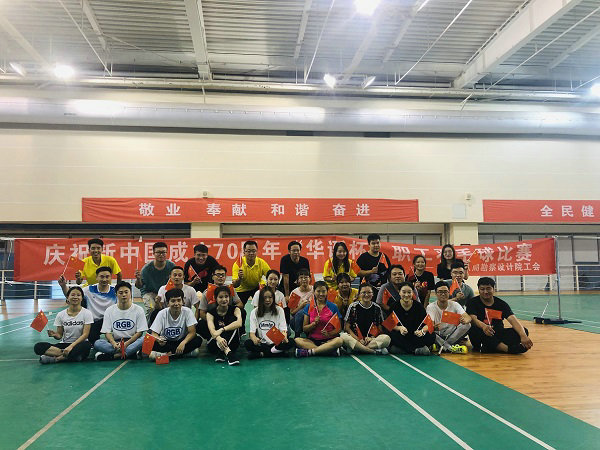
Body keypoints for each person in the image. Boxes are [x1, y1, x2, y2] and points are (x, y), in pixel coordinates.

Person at [466, 277, 533, 354]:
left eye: (488, 289)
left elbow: (513, 320)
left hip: (497, 334)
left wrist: (523, 336)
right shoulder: (472, 302)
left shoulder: (501, 304)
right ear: (479, 290)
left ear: (493, 289)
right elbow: (473, 319)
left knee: (523, 331)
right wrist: (484, 326)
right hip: (482, 334)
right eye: (482, 289)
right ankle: (507, 349)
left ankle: (490, 348)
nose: (485, 292)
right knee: (474, 329)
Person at [34, 286, 93, 364]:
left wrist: (71, 347)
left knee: (87, 345)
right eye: (72, 295)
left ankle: (58, 358)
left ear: (82, 298)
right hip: (64, 344)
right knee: (38, 347)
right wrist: (55, 335)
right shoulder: (61, 314)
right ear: (67, 297)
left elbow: (85, 335)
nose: (75, 297)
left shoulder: (87, 313)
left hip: (79, 344)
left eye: (78, 295)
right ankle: (71, 356)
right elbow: (59, 335)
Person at [59, 266, 117, 344]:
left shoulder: (115, 291)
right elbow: (71, 296)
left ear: (111, 277)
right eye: (102, 277)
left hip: (110, 321)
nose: (104, 279)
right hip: (94, 322)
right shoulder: (89, 289)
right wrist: (63, 286)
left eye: (107, 277)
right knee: (93, 341)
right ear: (96, 277)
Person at [94, 281, 148, 361]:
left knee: (145, 339)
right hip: (116, 343)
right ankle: (130, 354)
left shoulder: (138, 310)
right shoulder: (109, 310)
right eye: (121, 293)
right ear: (116, 294)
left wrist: (126, 344)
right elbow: (107, 332)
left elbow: (139, 333)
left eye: (126, 292)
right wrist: (113, 343)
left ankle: (115, 356)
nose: (124, 295)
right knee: (98, 343)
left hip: (132, 342)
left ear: (130, 293)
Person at [148, 288, 202, 360]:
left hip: (181, 341)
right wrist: (159, 340)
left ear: (183, 301)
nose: (176, 304)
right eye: (173, 301)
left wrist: (183, 343)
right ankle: (181, 354)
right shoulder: (162, 313)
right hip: (166, 342)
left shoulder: (188, 312)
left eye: (179, 300)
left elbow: (192, 332)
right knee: (151, 342)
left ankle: (166, 355)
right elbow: (154, 333)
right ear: (168, 303)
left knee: (198, 340)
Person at [294, 281, 344, 357]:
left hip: (329, 340)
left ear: (327, 292)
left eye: (323, 291)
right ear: (314, 292)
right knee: (297, 340)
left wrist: (329, 334)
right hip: (313, 340)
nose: (321, 294)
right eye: (318, 291)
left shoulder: (333, 306)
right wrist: (313, 324)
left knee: (339, 340)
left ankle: (310, 352)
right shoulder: (309, 307)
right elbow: (305, 329)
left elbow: (338, 328)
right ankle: (327, 350)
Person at [196, 265, 245, 339]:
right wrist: (213, 321)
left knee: (242, 312)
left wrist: (232, 310)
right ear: (213, 277)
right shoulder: (206, 293)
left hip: (228, 318)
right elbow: (202, 313)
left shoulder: (231, 289)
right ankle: (212, 337)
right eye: (218, 275)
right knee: (200, 324)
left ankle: (238, 333)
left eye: (223, 275)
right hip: (213, 319)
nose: (221, 277)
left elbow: (240, 304)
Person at [386, 281, 435, 355]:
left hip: (415, 336)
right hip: (401, 336)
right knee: (390, 334)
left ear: (413, 293)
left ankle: (403, 349)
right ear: (399, 292)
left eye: (409, 292)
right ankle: (416, 350)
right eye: (404, 292)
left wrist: (422, 331)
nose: (406, 295)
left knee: (432, 335)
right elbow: (389, 325)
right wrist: (399, 328)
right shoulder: (394, 306)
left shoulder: (419, 306)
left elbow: (428, 324)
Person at [245, 287, 295, 359]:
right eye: (265, 297)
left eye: (270, 297)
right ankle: (276, 353)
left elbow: (283, 330)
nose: (267, 300)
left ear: (273, 298)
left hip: (276, 342)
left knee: (291, 342)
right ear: (261, 298)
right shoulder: (254, 312)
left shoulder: (279, 310)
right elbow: (252, 333)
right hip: (262, 343)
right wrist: (254, 339)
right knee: (248, 343)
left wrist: (284, 337)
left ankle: (263, 354)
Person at [341, 284, 390, 355]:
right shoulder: (353, 306)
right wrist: (358, 339)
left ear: (373, 294)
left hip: (370, 341)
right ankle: (371, 351)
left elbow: (380, 328)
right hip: (356, 339)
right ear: (359, 294)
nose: (366, 295)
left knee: (387, 338)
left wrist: (372, 338)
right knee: (343, 336)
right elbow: (347, 328)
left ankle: (360, 349)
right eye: (363, 292)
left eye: (369, 292)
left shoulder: (377, 308)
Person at [135, 242, 175, 322]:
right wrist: (138, 279)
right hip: (149, 293)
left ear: (167, 253)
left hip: (165, 292)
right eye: (158, 252)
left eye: (163, 252)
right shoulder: (146, 268)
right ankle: (148, 327)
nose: (161, 255)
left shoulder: (172, 266)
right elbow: (139, 286)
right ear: (153, 253)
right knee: (151, 309)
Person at [426, 281, 471, 353]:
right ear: (436, 293)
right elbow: (430, 324)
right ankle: (449, 348)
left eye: (445, 291)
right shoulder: (431, 307)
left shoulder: (455, 304)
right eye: (440, 292)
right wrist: (434, 327)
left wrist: (465, 320)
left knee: (467, 325)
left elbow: (468, 317)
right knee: (428, 331)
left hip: (451, 335)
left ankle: (441, 346)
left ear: (449, 292)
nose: (443, 294)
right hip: (438, 334)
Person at [206, 286, 243, 366]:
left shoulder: (235, 309)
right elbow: (212, 331)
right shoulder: (210, 313)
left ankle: (221, 353)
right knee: (215, 329)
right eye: (221, 297)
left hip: (233, 343)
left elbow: (239, 323)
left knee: (234, 323)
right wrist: (219, 339)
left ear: (229, 297)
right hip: (214, 344)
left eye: (226, 296)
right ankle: (228, 353)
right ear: (215, 298)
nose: (224, 299)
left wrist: (222, 329)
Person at [232, 240, 271, 305]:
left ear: (256, 252)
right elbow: (235, 285)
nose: (251, 253)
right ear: (244, 252)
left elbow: (270, 275)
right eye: (248, 251)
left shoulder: (261, 262)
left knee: (262, 305)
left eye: (253, 251)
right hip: (242, 289)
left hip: (256, 287)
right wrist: (239, 278)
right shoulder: (238, 264)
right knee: (239, 307)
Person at [288, 268, 313, 337]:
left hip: (312, 317)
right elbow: (292, 312)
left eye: (306, 277)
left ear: (310, 279)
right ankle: (297, 335)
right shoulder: (295, 293)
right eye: (301, 277)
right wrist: (301, 306)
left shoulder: (314, 290)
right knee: (301, 313)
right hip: (296, 321)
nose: (304, 279)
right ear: (298, 280)